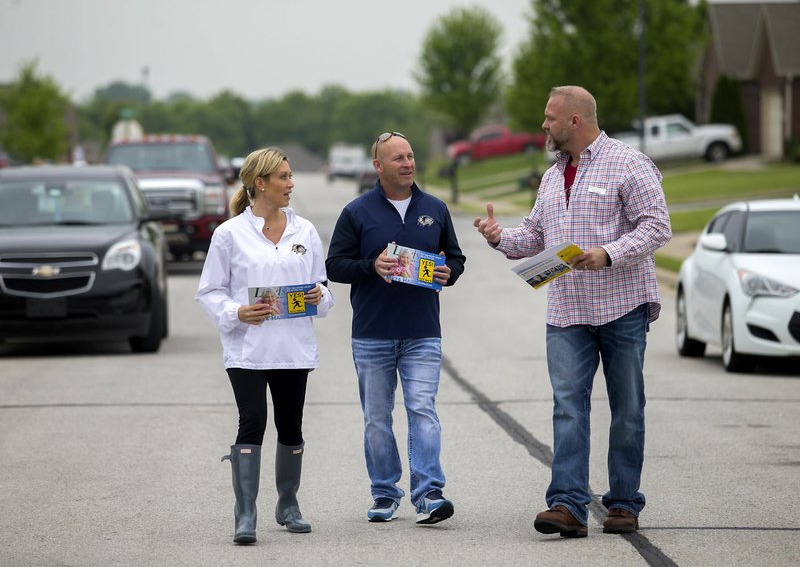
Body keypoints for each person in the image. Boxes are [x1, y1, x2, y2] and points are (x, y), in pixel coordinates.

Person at [474, 86, 672, 538]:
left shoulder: (628, 163)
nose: (544, 125)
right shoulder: (550, 177)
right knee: (567, 407)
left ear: (575, 121)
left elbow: (658, 225)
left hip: (622, 307)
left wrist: (609, 252)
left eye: (549, 117)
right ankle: (567, 505)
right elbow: (533, 236)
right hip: (567, 311)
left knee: (627, 408)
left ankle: (623, 503)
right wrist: (497, 236)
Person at [326, 131, 466, 525]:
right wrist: (371, 266)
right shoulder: (357, 211)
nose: (407, 163)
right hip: (372, 333)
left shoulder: (435, 208)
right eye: (398, 158)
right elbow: (334, 265)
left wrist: (447, 271)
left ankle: (429, 494)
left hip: (422, 331)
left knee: (422, 408)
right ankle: (385, 493)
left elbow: (455, 258)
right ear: (378, 167)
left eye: (410, 155)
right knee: (376, 417)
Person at [196, 147, 334, 544]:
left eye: (291, 176)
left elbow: (321, 288)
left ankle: (288, 504)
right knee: (252, 420)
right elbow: (209, 291)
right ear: (260, 184)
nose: (291, 184)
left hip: (293, 347)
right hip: (247, 350)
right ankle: (245, 513)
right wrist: (236, 312)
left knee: (291, 425)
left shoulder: (304, 231)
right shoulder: (229, 235)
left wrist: (317, 297)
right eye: (284, 177)